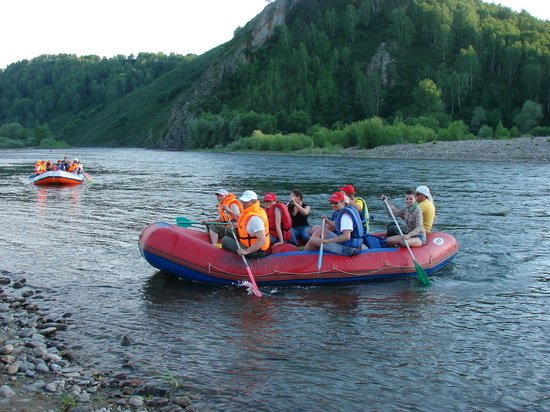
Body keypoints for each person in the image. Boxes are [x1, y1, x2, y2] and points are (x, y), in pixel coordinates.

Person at [303, 191, 364, 256]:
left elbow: (346, 237)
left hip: (348, 249)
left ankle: (302, 257)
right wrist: (327, 221)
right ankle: (309, 252)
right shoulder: (346, 210)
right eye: (331, 202)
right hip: (348, 244)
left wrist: (327, 241)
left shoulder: (345, 216)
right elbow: (338, 227)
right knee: (319, 231)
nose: (333, 205)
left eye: (335, 203)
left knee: (313, 240)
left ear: (343, 202)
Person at [221, 190, 270, 258]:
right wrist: (229, 211)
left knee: (225, 240)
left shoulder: (255, 218)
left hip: (256, 251)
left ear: (254, 202)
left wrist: (247, 251)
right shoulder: (254, 210)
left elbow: (262, 240)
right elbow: (242, 220)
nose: (243, 204)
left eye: (246, 202)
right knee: (229, 232)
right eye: (243, 201)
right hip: (250, 244)